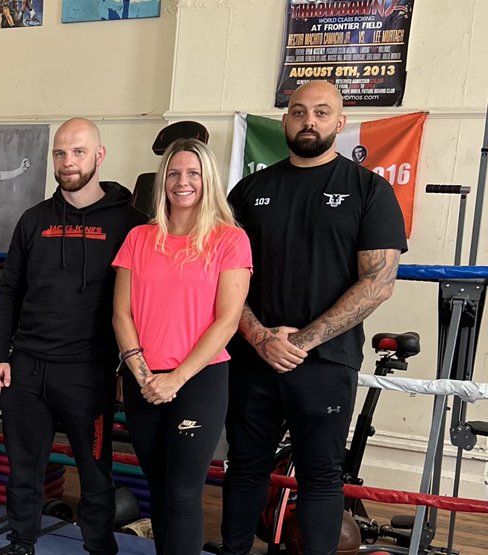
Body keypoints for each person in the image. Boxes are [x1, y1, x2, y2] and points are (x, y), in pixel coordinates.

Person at [220, 80, 406, 555]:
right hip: (252, 357)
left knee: (321, 475)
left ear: (339, 124)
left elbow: (378, 282)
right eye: (299, 112)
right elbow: (220, 275)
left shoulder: (369, 190)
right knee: (244, 467)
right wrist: (261, 337)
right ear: (285, 120)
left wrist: (299, 341)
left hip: (324, 361)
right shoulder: (249, 189)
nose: (309, 121)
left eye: (321, 113)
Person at [0, 118, 145, 555]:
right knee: (24, 469)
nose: (67, 161)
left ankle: (99, 547)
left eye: (77, 152)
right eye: (60, 153)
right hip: (27, 370)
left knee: (95, 471)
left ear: (99, 155)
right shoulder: (34, 220)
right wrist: (1, 354)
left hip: (88, 373)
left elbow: (142, 303)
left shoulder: (131, 224)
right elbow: (10, 292)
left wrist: (126, 366)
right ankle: (21, 543)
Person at [111, 139, 251, 554]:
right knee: (158, 488)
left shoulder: (230, 240)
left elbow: (227, 319)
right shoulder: (140, 237)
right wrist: (141, 373)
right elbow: (122, 313)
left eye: (192, 173)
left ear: (207, 179)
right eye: (173, 173)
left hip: (198, 380)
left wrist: (176, 378)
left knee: (184, 493)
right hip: (143, 380)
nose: (182, 182)